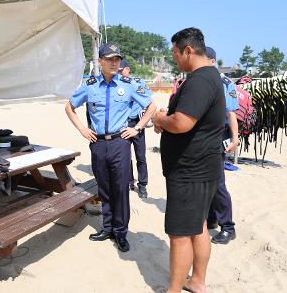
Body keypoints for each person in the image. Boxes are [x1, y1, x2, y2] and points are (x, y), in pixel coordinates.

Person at [152, 28, 225, 293]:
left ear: (188, 50)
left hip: (190, 170)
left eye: (174, 52)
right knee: (198, 226)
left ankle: (174, 289)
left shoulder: (199, 80)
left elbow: (182, 123)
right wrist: (167, 122)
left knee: (181, 233)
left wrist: (160, 119)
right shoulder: (210, 76)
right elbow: (189, 120)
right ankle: (197, 281)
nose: (174, 58)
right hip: (204, 166)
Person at [65, 43, 156, 252]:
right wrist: (82, 129)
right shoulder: (90, 85)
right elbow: (69, 107)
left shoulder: (128, 84)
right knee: (104, 187)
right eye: (110, 59)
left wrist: (138, 128)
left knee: (121, 188)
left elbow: (151, 106)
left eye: (117, 59)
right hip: (97, 143)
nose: (115, 63)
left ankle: (121, 232)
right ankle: (107, 228)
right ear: (100, 62)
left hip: (119, 143)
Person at [205, 47, 239, 244]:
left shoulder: (224, 83)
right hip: (205, 137)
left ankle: (228, 227)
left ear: (211, 61)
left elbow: (231, 113)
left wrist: (235, 138)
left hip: (218, 136)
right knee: (208, 181)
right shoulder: (201, 79)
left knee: (218, 183)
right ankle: (212, 218)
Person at [118, 60, 150, 199]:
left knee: (141, 156)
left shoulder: (138, 83)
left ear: (127, 69)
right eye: (117, 71)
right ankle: (130, 180)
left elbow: (148, 99)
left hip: (137, 125)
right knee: (126, 157)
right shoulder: (117, 84)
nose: (119, 73)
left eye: (121, 70)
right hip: (123, 125)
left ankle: (142, 185)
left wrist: (142, 122)